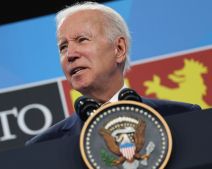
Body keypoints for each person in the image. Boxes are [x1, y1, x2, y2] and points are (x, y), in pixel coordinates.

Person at [25, 1, 201, 146]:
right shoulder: (44, 146)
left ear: (119, 49)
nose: (70, 54)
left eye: (82, 40)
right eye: (63, 47)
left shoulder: (183, 117)